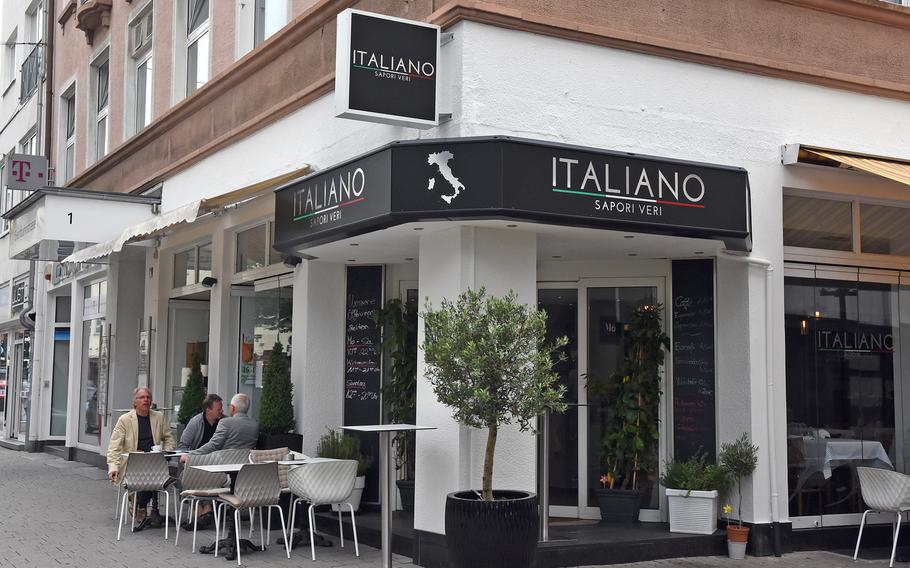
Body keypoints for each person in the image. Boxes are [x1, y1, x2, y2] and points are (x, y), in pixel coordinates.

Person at [179, 393, 259, 532]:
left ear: (233, 408)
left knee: (193, 476)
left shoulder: (225, 422)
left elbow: (214, 445)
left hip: (220, 468)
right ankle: (206, 512)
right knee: (199, 473)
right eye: (219, 408)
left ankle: (204, 514)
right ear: (207, 410)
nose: (222, 410)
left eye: (225, 407)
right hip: (243, 472)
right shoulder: (254, 425)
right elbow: (184, 444)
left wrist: (192, 456)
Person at [107, 387, 176, 530]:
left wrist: (168, 449)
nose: (146, 400)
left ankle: (141, 503)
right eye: (142, 397)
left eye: (148, 397)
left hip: (154, 461)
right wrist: (113, 467)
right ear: (135, 402)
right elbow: (114, 446)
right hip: (133, 463)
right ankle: (140, 503)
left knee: (158, 475)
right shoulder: (125, 420)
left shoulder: (158, 417)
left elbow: (168, 437)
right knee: (146, 474)